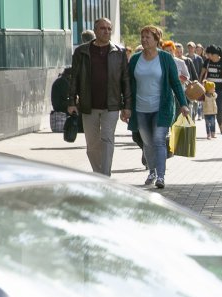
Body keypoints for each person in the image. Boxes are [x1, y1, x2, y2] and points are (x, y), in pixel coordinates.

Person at [127, 25, 190, 189]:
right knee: (147, 143)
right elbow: (127, 85)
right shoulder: (134, 59)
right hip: (140, 108)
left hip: (161, 108)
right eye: (142, 37)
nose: (144, 40)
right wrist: (125, 107)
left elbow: (175, 83)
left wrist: (183, 103)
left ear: (156, 40)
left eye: (148, 37)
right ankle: (152, 171)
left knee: (158, 141)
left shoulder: (165, 58)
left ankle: (161, 176)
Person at [67, 18, 131, 177]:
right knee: (92, 145)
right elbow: (74, 78)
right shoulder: (81, 52)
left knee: (108, 140)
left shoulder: (119, 52)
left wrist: (127, 106)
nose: (107, 31)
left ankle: (105, 176)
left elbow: (126, 80)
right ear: (95, 31)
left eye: (109, 29)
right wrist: (71, 101)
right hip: (89, 105)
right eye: (103, 28)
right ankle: (98, 174)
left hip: (112, 105)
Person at [200, 45, 222, 135]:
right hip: (207, 91)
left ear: (214, 54)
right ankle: (210, 130)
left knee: (218, 109)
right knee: (208, 109)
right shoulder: (207, 62)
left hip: (219, 91)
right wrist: (199, 84)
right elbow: (202, 74)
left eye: (208, 54)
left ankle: (220, 125)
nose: (207, 56)